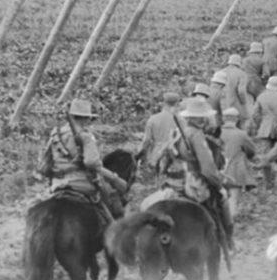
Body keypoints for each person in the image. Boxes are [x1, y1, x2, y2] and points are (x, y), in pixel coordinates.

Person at [42, 98, 127, 227]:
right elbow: (92, 163)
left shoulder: (55, 135)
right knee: (112, 213)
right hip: (82, 185)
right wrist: (114, 178)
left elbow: (44, 164)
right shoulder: (85, 136)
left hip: (57, 185)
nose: (89, 122)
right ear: (83, 118)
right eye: (88, 118)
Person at [172, 98, 233, 253]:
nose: (201, 119)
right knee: (223, 198)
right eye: (197, 116)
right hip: (196, 179)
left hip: (180, 176)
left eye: (202, 116)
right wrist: (221, 182)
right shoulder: (197, 135)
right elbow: (208, 168)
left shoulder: (179, 132)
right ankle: (228, 240)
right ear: (189, 117)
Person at [249, 76, 277, 188]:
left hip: (265, 127)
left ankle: (268, 182)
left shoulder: (262, 96)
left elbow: (254, 114)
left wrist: (261, 123)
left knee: (266, 156)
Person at [219, 107, 257, 225]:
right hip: (234, 170)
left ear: (223, 119)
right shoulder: (241, 134)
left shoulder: (215, 133)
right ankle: (230, 224)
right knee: (233, 200)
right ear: (236, 119)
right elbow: (251, 151)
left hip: (217, 170)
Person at [137, 92, 181, 185]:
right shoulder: (181, 120)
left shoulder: (153, 119)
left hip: (157, 154)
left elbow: (147, 140)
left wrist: (140, 155)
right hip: (175, 154)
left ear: (163, 103)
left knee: (157, 182)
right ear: (177, 104)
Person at [221, 54, 249, 128]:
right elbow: (241, 91)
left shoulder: (220, 72)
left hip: (222, 103)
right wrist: (244, 102)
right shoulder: (241, 74)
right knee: (239, 124)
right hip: (235, 103)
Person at [242, 42, 268, 116]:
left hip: (245, 81)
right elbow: (266, 74)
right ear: (260, 52)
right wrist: (263, 80)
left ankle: (249, 116)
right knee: (260, 100)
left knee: (248, 102)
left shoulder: (244, 60)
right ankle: (257, 115)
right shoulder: (262, 61)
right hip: (257, 82)